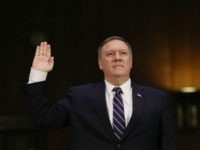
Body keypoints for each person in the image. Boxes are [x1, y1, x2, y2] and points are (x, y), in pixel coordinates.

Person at [24, 36, 177, 150]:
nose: (117, 57)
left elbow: (169, 144)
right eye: (110, 54)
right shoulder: (79, 96)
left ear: (131, 62)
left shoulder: (157, 98)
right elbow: (43, 118)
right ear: (100, 63)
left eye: (123, 53)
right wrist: (38, 73)